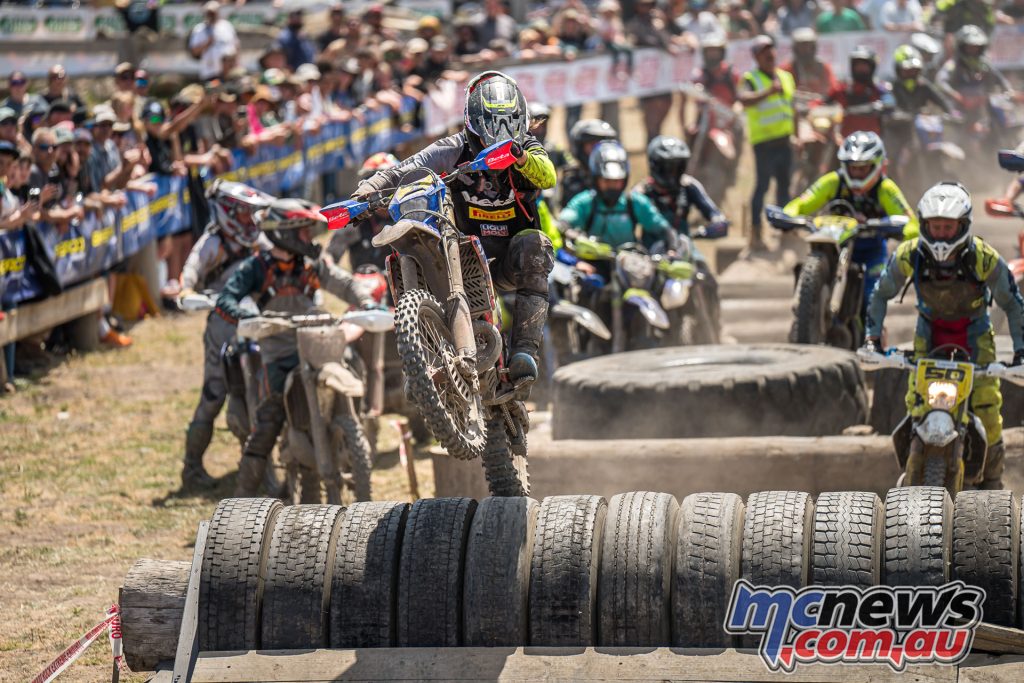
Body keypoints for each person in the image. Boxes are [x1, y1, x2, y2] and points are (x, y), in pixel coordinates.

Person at [354, 71, 557, 387]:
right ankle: (422, 361)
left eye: (508, 121)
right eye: (493, 121)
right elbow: (406, 168)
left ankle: (524, 352)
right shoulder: (453, 148)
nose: (501, 131)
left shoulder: (529, 148)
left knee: (537, 244)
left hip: (508, 262)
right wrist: (370, 189)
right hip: (462, 254)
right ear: (474, 119)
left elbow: (548, 176)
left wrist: (519, 157)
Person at [863, 181, 1024, 489]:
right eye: (935, 226)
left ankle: (992, 481)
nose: (941, 234)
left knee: (988, 406)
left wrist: (1020, 352)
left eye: (948, 227)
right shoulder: (910, 254)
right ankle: (912, 469)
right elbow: (880, 293)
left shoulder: (984, 257)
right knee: (917, 403)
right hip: (929, 332)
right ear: (924, 225)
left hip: (974, 335)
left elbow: (1013, 304)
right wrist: (872, 339)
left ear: (963, 226)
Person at [216, 199, 375, 496]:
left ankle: (355, 435)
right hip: (279, 353)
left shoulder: (311, 265)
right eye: (303, 232)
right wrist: (251, 317)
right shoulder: (257, 267)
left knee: (352, 364)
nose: (309, 239)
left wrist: (365, 302)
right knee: (269, 419)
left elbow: (346, 284)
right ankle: (243, 497)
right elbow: (226, 299)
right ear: (284, 234)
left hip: (316, 347)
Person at [178, 181, 273, 489]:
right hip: (222, 323)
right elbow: (190, 271)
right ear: (229, 213)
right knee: (214, 392)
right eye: (244, 215)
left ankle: (264, 464)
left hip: (257, 318)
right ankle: (191, 469)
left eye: (251, 215)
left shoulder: (258, 238)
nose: (250, 221)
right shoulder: (212, 243)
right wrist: (185, 290)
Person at [783, 131, 918, 314]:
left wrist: (895, 227)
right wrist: (788, 216)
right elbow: (802, 203)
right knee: (807, 267)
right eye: (853, 167)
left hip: (870, 250)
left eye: (863, 168)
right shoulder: (833, 180)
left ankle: (874, 337)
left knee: (873, 299)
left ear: (877, 166)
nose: (857, 173)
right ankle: (804, 312)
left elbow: (911, 224)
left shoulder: (885, 188)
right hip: (834, 247)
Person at [632, 135, 729, 331]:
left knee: (708, 278)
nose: (672, 173)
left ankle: (716, 327)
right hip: (652, 252)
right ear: (655, 165)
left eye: (677, 166)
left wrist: (716, 225)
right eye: (667, 167)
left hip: (686, 249)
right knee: (638, 286)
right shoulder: (641, 193)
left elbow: (714, 214)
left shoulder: (689, 186)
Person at [558, 140, 677, 253]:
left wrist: (672, 249)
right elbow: (564, 221)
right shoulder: (585, 202)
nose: (612, 186)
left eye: (616, 181)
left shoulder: (634, 202)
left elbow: (663, 228)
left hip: (630, 266)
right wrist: (573, 234)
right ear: (596, 178)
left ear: (625, 180)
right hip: (591, 265)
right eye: (606, 181)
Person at [740, 35, 796, 252]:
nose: (769, 55)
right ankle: (756, 234)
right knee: (762, 187)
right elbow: (744, 99)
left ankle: (784, 231)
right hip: (763, 143)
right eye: (764, 52)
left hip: (784, 141)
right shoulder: (750, 78)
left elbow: (791, 108)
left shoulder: (785, 77)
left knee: (784, 188)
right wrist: (768, 92)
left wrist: (796, 135)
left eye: (771, 50)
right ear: (756, 57)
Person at [326, 152, 399, 271]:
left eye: (390, 182)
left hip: (410, 284)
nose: (384, 190)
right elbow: (329, 260)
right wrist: (351, 284)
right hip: (369, 285)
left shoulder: (410, 211)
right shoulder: (356, 219)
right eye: (378, 183)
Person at [827, 45, 892, 138]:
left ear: (872, 67)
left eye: (864, 65)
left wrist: (853, 111)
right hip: (845, 143)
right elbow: (822, 103)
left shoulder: (881, 88)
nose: (861, 68)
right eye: (858, 65)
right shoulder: (842, 88)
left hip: (874, 143)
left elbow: (889, 104)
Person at [560, 119, 619, 208]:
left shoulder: (616, 174)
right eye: (592, 144)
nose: (598, 149)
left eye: (601, 144)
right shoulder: (572, 179)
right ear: (580, 147)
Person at [188, 1, 240, 82]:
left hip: (227, 72)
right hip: (210, 73)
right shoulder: (200, 29)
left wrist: (236, 63)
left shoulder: (226, 26)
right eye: (209, 13)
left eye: (213, 12)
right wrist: (207, 43)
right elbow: (194, 51)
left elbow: (236, 45)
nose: (211, 15)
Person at [782, 27, 838, 98]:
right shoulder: (786, 70)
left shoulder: (823, 67)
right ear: (795, 48)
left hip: (820, 106)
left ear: (814, 47)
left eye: (809, 45)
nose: (806, 49)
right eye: (802, 45)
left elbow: (833, 89)